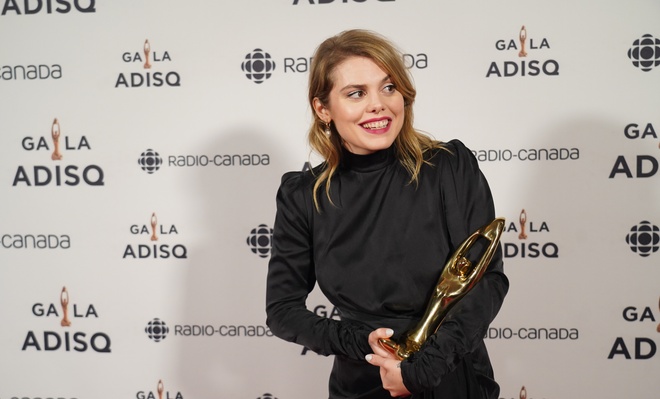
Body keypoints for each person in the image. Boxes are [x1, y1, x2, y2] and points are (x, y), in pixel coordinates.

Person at [266, 29, 509, 399]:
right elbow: (282, 310)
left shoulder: (448, 168)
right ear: (323, 109)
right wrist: (357, 340)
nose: (378, 104)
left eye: (389, 87)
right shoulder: (303, 196)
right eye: (356, 93)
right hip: (364, 381)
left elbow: (487, 281)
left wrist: (423, 369)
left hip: (452, 377)